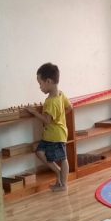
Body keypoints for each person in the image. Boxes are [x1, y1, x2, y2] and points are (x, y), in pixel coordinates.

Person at [26, 62, 72, 192]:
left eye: (40, 83)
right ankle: (58, 172)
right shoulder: (61, 94)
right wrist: (59, 118)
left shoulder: (51, 102)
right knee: (40, 152)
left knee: (63, 158)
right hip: (53, 134)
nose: (40, 87)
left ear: (48, 81)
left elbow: (47, 121)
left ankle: (63, 184)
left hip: (55, 135)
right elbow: (70, 107)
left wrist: (34, 113)